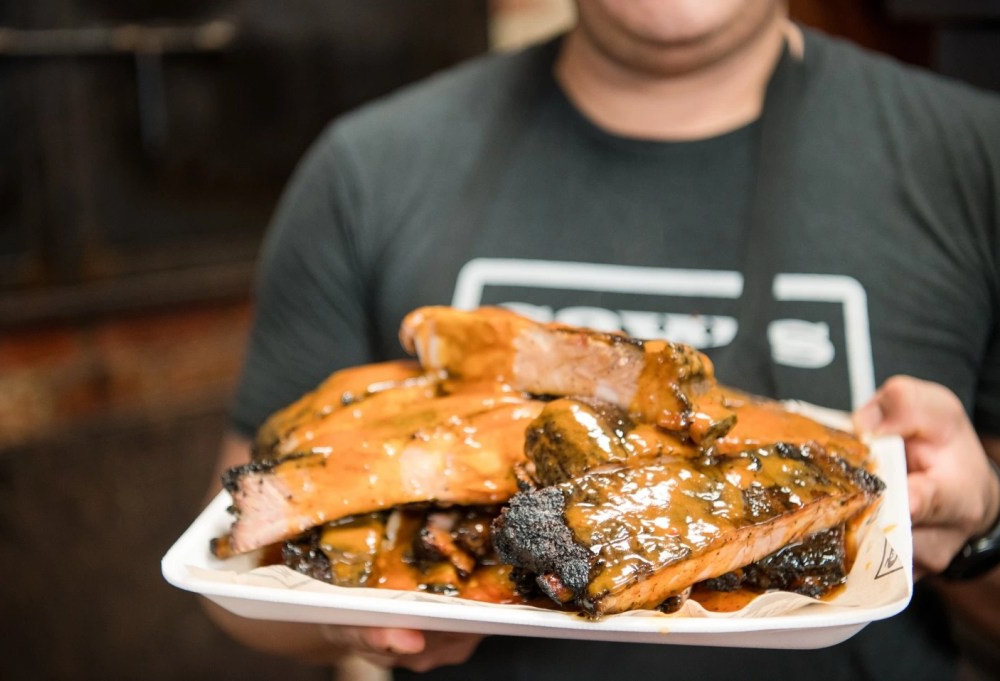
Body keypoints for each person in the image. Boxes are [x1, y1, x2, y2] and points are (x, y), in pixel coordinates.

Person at [207, 1, 1000, 678]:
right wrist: (348, 612)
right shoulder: (366, 169)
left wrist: (975, 533)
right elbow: (232, 570)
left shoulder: (973, 160)